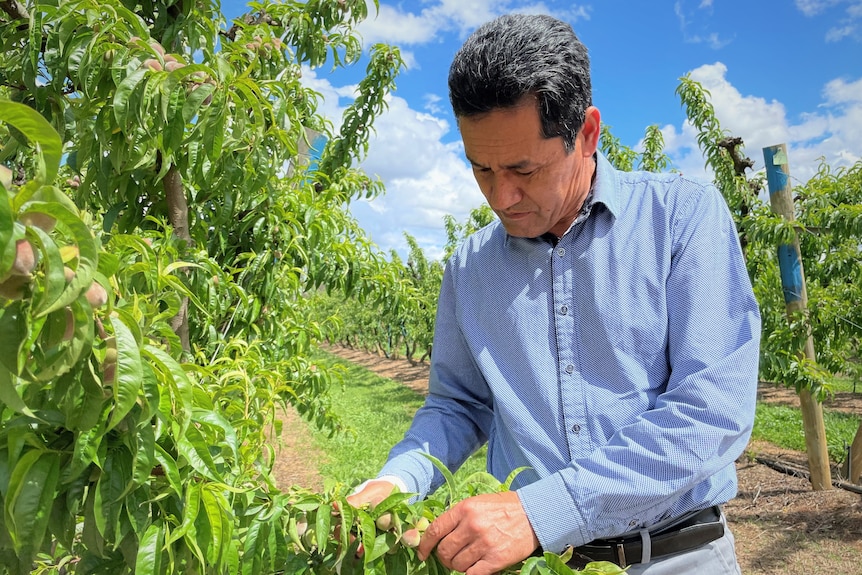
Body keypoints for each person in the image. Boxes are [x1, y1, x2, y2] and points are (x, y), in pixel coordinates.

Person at [348, 13, 761, 575]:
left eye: (522, 168)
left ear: (586, 134)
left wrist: (543, 511)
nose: (500, 194)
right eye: (480, 169)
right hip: (540, 564)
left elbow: (711, 410)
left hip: (676, 556)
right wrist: (394, 482)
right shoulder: (470, 267)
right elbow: (458, 404)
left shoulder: (681, 219)